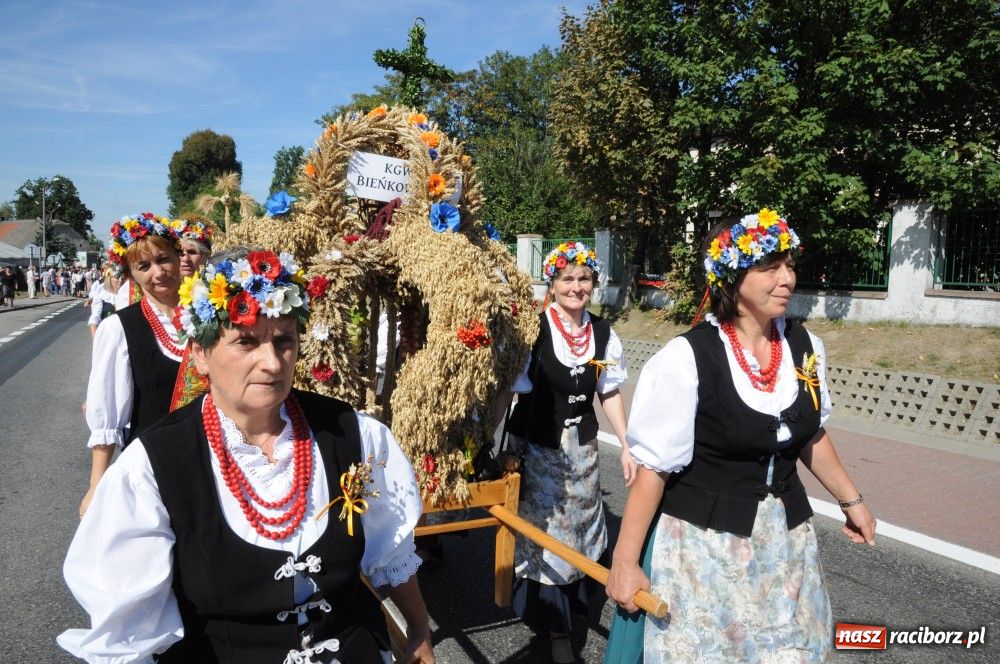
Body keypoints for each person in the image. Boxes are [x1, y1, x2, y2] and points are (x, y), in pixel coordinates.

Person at [59, 247, 434, 664]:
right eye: (246, 342)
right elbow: (127, 637)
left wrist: (419, 631)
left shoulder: (353, 435)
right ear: (200, 353)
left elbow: (391, 551)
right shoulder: (155, 465)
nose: (272, 363)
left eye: (284, 340)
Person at [605, 209, 877, 663]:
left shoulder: (804, 348)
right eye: (770, 267)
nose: (786, 278)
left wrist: (853, 501)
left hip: (785, 543)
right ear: (732, 276)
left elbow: (809, 435)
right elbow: (654, 469)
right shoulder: (687, 357)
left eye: (789, 265)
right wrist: (625, 562)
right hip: (706, 548)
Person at [499, 241, 633, 664]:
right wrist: (490, 441)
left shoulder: (603, 333)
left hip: (585, 454)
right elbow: (510, 392)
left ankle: (575, 607)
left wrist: (627, 445)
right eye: (567, 279)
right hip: (539, 453)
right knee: (551, 537)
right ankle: (557, 630)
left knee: (585, 531)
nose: (577, 287)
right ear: (553, 284)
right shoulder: (533, 331)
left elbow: (607, 391)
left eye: (584, 279)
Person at [78, 213, 186, 517]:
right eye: (144, 266)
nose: (158, 272)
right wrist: (96, 484)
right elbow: (108, 412)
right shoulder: (119, 329)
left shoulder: (210, 315)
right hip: (152, 467)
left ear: (178, 258)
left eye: (163, 259)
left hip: (214, 459)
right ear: (130, 274)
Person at [86, 266, 121, 339]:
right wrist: (96, 344)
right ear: (109, 279)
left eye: (122, 277)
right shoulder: (102, 296)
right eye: (116, 277)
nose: (119, 280)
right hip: (107, 337)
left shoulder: (128, 295)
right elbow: (94, 321)